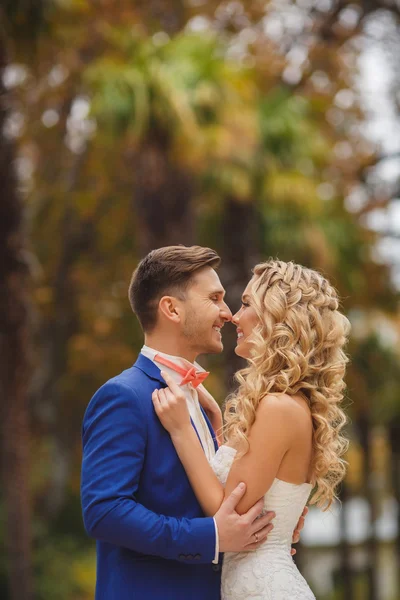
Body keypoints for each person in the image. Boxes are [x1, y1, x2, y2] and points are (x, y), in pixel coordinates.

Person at [81, 246, 306, 600]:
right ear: (171, 308)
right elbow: (104, 511)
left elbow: (223, 496)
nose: (227, 313)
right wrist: (213, 536)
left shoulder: (203, 405)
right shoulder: (124, 396)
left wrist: (269, 527)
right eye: (215, 298)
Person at [152, 259, 350, 600]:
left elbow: (225, 513)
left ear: (277, 317)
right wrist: (215, 424)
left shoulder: (278, 408)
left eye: (245, 304)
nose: (233, 316)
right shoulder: (286, 405)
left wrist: (183, 431)